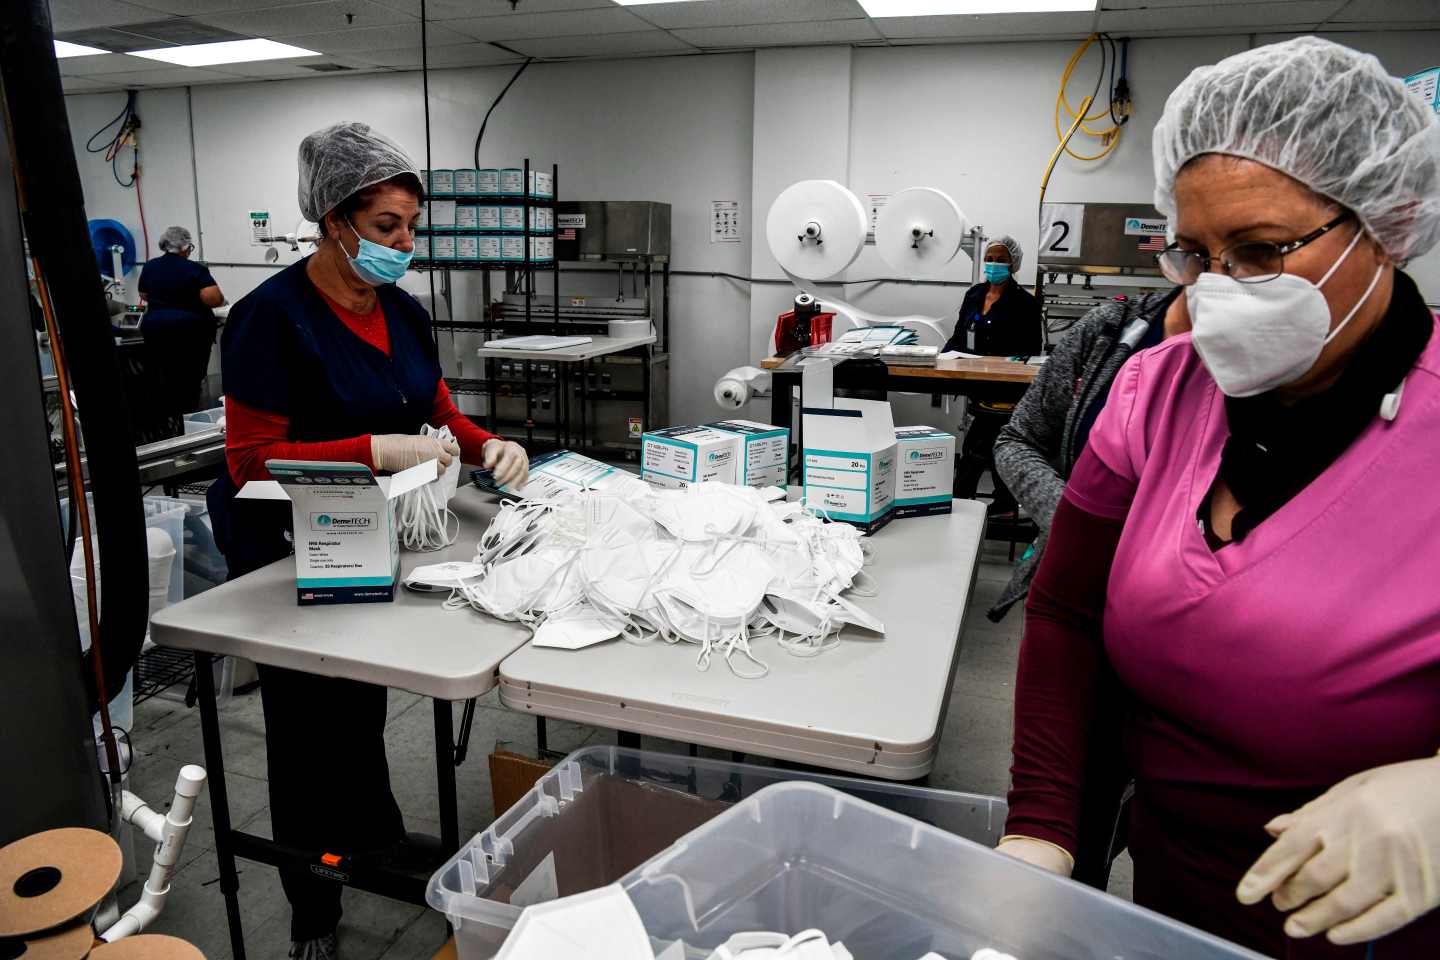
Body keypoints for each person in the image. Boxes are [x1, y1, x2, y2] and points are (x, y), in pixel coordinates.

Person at [999, 37, 1440, 958]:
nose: (1220, 293)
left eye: (1261, 250)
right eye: (1195, 255)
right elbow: (1068, 613)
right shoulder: (1156, 391)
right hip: (1173, 894)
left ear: (1386, 224)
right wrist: (1041, 828)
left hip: (1378, 922)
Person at [207, 121, 529, 960]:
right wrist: (372, 452)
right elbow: (248, 460)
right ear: (332, 220)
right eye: (387, 226)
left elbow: (434, 409)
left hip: (370, 539)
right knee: (305, 725)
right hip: (284, 551)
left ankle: (373, 841)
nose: (404, 244)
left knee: (360, 702)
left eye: (411, 228)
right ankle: (312, 905)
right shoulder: (270, 319)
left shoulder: (403, 312)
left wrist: (486, 443)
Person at [987, 286, 1188, 622]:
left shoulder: (1276, 375)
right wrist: (1074, 520)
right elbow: (1018, 438)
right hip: (1080, 585)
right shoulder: (1113, 329)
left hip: (1183, 605)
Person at [944, 235, 1043, 516]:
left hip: (1005, 386)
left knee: (979, 443)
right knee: (988, 441)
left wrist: (1007, 363)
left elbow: (1031, 349)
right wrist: (942, 360)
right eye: (989, 259)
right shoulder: (974, 294)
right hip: (973, 378)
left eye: (1001, 260)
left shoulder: (1024, 302)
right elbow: (959, 335)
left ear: (1013, 264)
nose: (993, 264)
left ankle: (962, 500)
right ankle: (1003, 502)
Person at [137, 225, 223, 418]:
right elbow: (213, 298)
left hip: (156, 330)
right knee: (189, 379)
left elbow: (144, 294)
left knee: (162, 376)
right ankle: (187, 419)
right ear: (185, 247)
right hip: (189, 332)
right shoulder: (195, 269)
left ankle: (165, 422)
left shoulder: (150, 266)